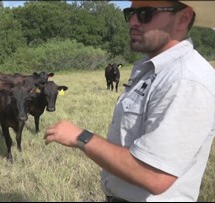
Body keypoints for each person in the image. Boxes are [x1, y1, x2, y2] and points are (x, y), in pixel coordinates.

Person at [43, 1, 215, 202]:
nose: (132, 21)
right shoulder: (151, 69)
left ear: (183, 18)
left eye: (145, 13)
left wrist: (81, 137)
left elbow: (155, 175)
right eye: (130, 13)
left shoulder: (185, 80)